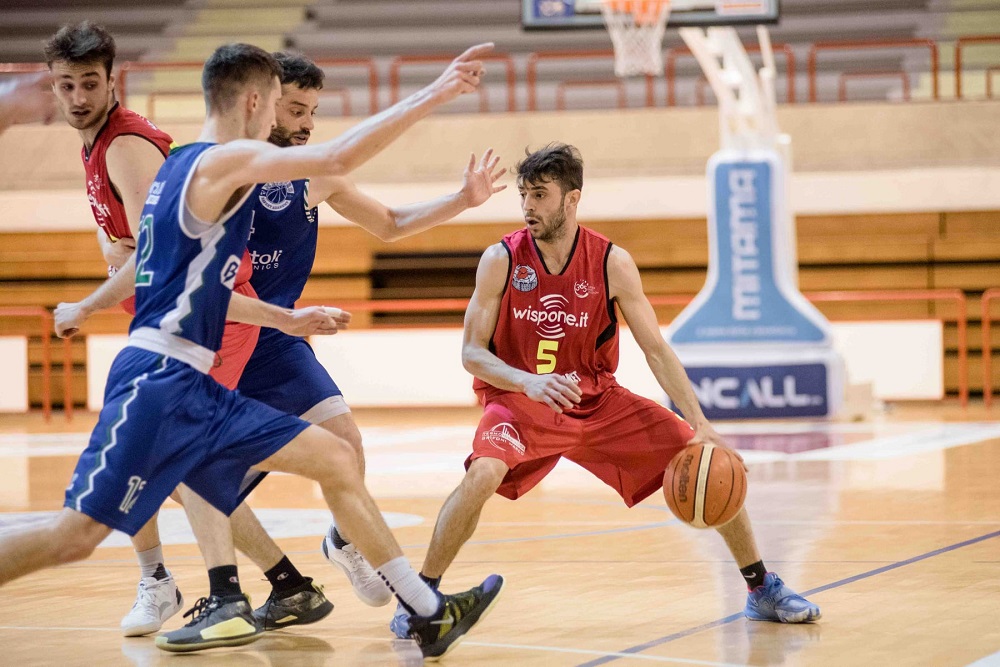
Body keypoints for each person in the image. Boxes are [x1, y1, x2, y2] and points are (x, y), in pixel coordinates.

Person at [0, 43, 503, 660]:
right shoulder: (222, 159)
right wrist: (438, 91)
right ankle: (199, 585)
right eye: (282, 109)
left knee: (337, 459)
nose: (289, 125)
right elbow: (340, 154)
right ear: (257, 100)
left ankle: (426, 614)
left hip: (196, 381)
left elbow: (150, 270)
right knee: (74, 536)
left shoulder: (182, 166)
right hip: (162, 377)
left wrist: (91, 306)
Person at [390, 143, 820, 637]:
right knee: (483, 472)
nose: (528, 206)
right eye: (524, 195)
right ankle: (419, 599)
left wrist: (702, 423)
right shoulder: (501, 259)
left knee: (704, 459)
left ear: (571, 200)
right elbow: (472, 353)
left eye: (541, 195)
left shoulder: (611, 262)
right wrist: (527, 381)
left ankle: (760, 588)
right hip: (519, 403)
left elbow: (656, 349)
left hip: (597, 403)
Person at [45, 22, 341, 639]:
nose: (76, 97)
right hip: (183, 318)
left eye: (88, 83)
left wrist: (87, 304)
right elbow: (131, 237)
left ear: (111, 83)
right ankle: (282, 582)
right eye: (65, 84)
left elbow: (152, 256)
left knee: (172, 459)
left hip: (203, 316)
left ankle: (196, 585)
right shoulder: (101, 142)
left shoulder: (126, 146)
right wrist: (109, 248)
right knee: (177, 463)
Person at [232, 51, 506, 628]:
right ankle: (272, 584)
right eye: (296, 109)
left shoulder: (314, 172)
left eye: (313, 111)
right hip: (221, 342)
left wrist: (462, 201)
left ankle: (343, 539)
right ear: (259, 103)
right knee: (201, 486)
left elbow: (390, 223)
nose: (308, 122)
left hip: (280, 343)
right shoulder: (218, 169)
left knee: (348, 448)